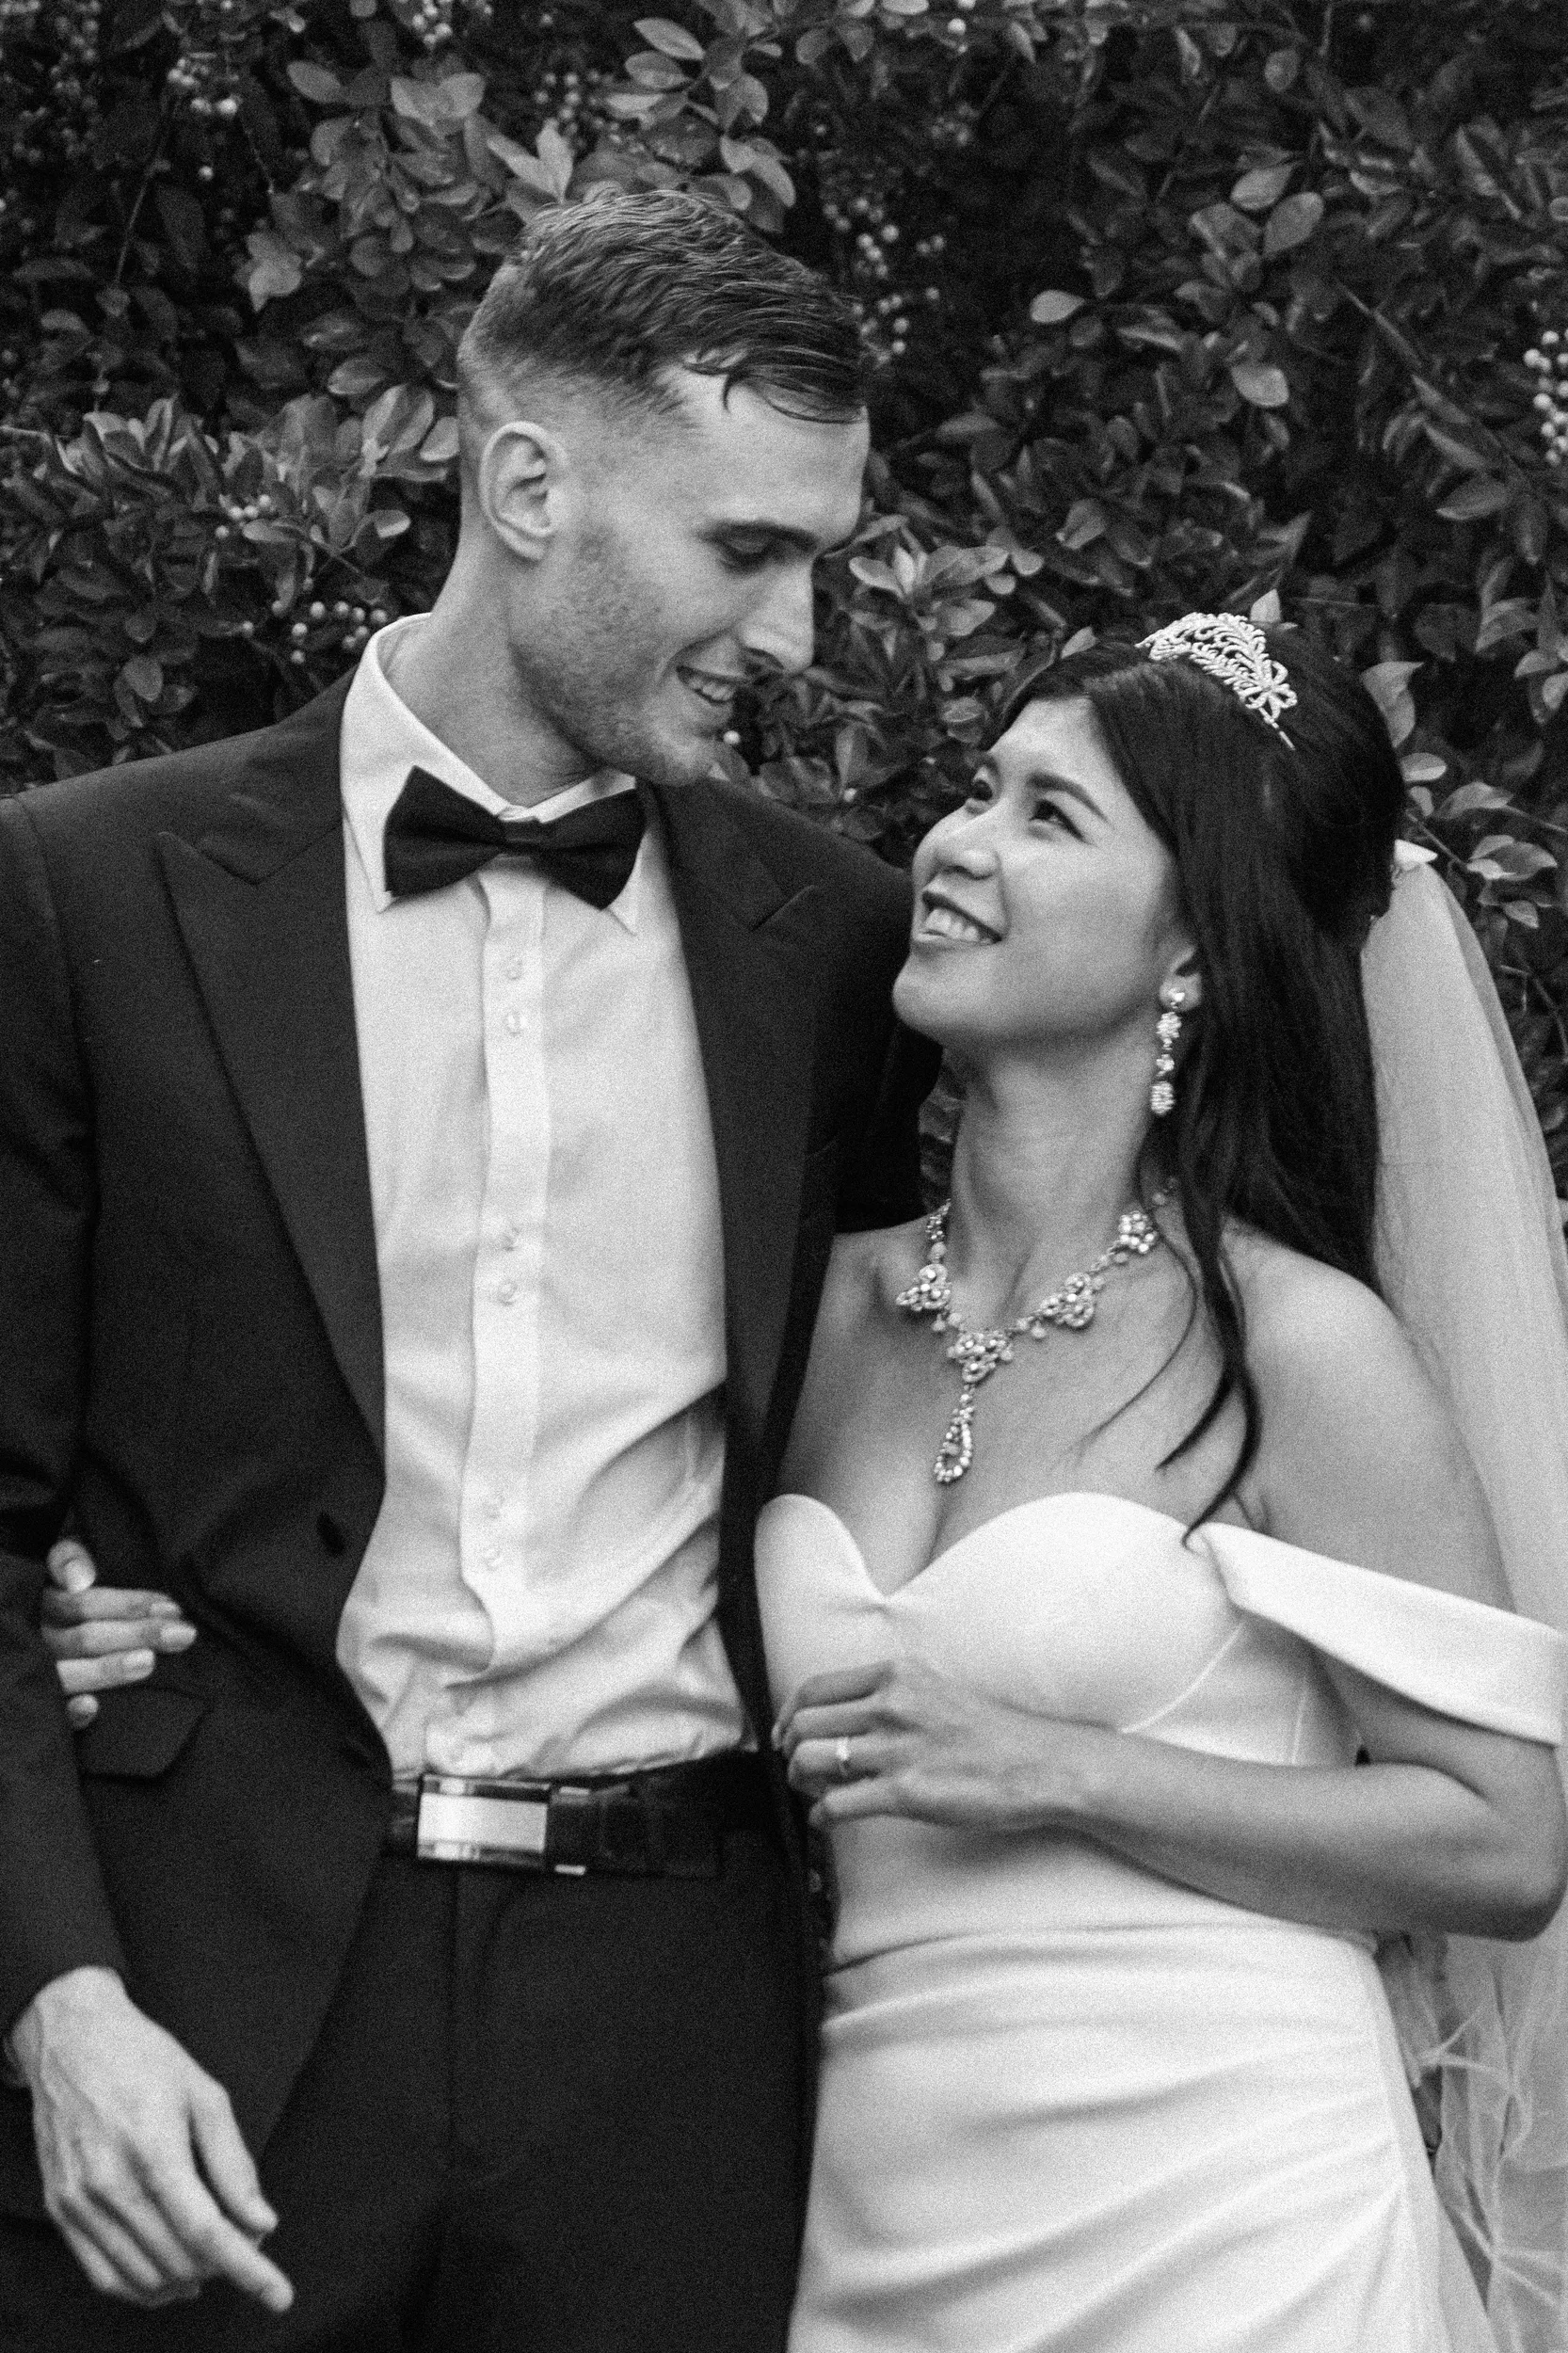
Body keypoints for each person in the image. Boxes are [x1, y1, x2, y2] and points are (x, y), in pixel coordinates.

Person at [0, 189, 936, 2350]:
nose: (793, 633)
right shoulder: (84, 896)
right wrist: (58, 2003)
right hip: (208, 1991)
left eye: (817, 555)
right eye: (744, 550)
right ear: (528, 484)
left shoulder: (843, 950)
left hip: (668, 2024)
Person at [759, 621, 1568, 2350]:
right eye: (977, 789)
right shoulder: (808, 1308)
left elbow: (1504, 1841)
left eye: (1050, 818)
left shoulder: (1295, 1345)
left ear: (1191, 932)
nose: (959, 844)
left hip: (1227, 2212)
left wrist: (1051, 1766)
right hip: (868, 2192)